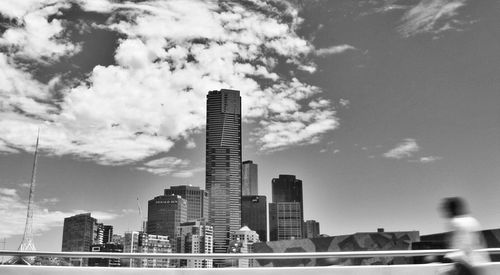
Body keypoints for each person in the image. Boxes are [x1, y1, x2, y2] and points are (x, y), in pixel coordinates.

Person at [440, 197, 490, 275]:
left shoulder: (455, 222)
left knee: (441, 272)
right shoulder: (472, 220)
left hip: (466, 263)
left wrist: (448, 257)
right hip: (480, 261)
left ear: (451, 209)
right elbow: (478, 242)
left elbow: (461, 247)